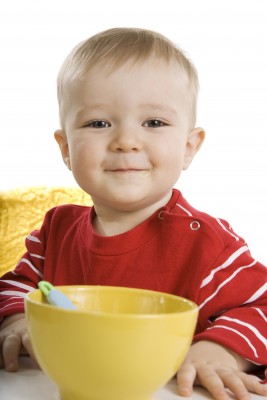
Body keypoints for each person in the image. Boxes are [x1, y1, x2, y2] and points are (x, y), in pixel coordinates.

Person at [0, 27, 266, 400]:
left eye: (153, 123)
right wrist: (16, 318)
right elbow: (16, 284)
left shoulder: (209, 245)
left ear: (189, 147)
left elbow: (262, 306)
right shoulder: (54, 232)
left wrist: (221, 350)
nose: (126, 141)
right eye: (99, 123)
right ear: (65, 148)